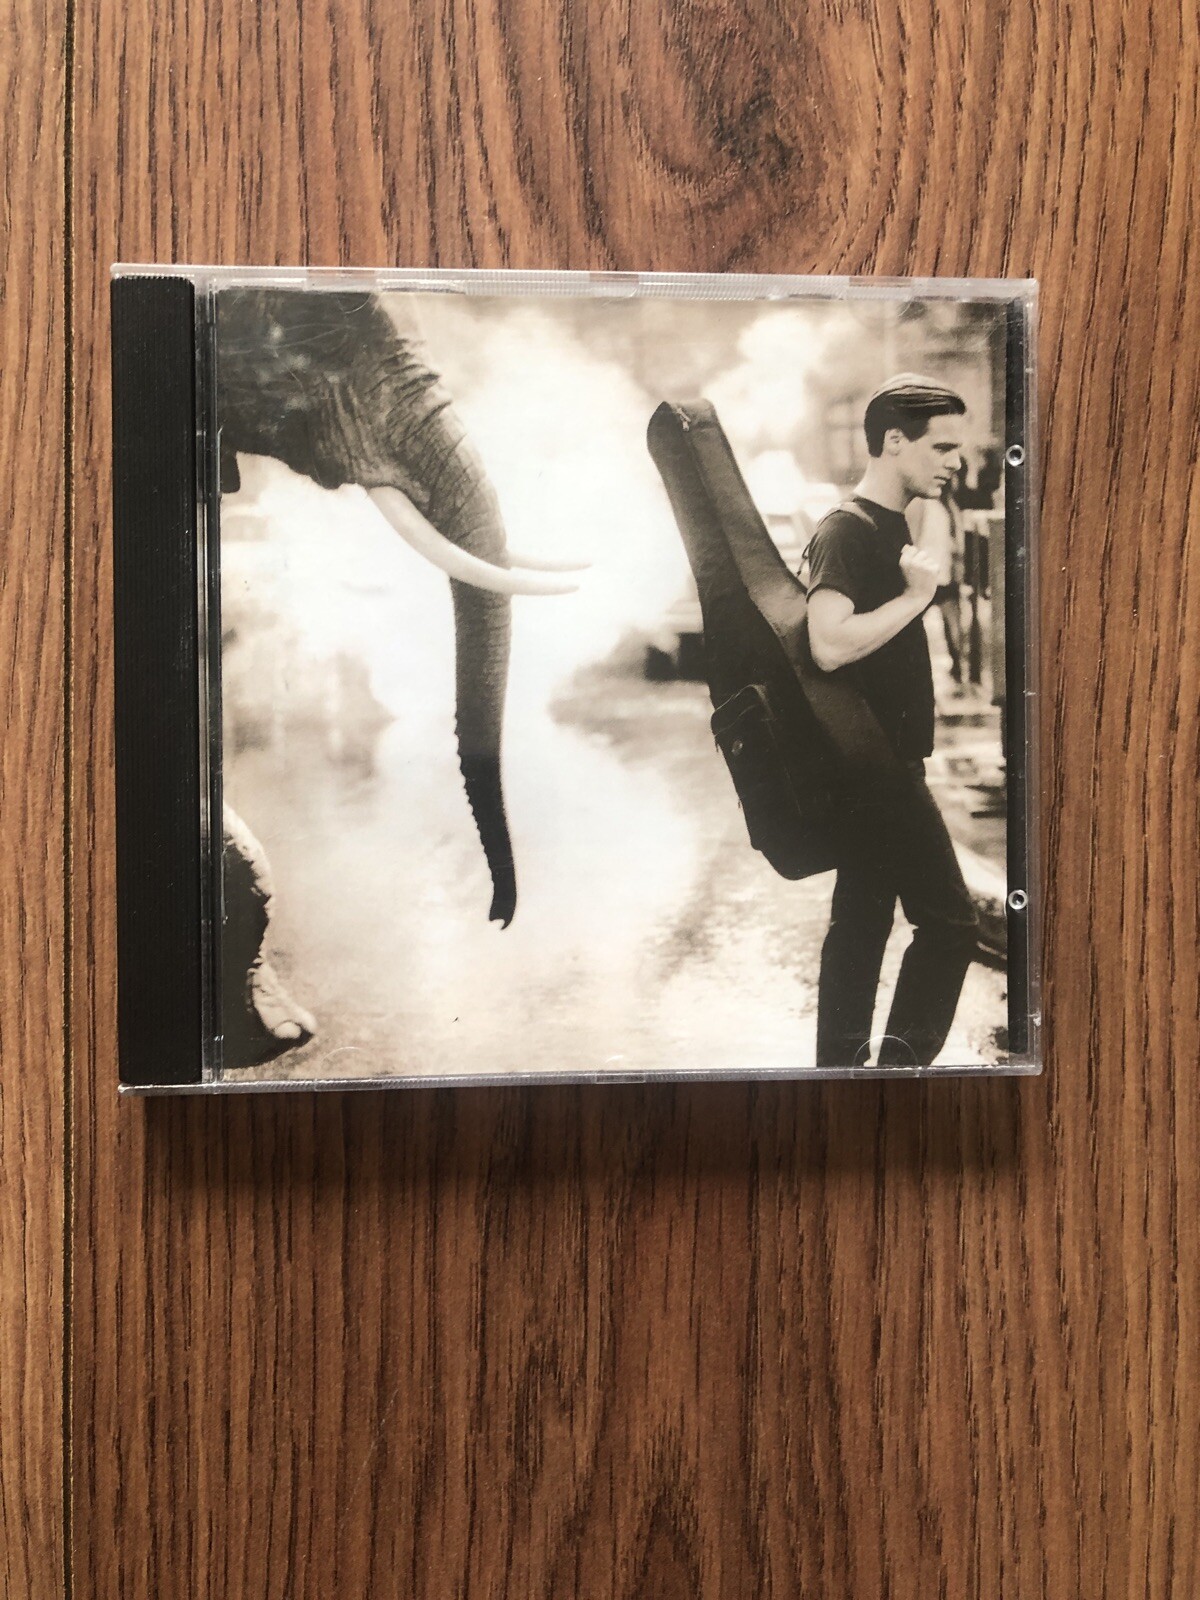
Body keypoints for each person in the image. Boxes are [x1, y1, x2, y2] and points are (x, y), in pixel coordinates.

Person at [804, 375, 979, 1067]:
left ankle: (839, 1079)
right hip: (875, 768)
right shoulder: (846, 530)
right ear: (894, 441)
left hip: (879, 760)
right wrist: (915, 598)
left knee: (862, 923)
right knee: (951, 925)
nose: (956, 462)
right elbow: (828, 642)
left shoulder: (891, 522)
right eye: (942, 447)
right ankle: (897, 1081)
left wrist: (917, 581)